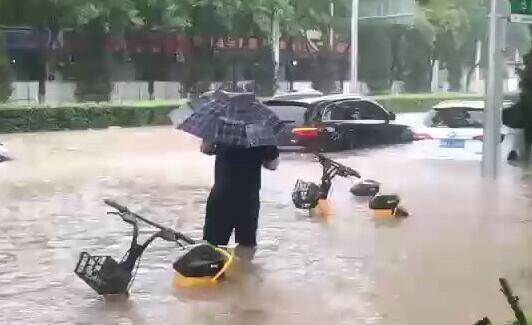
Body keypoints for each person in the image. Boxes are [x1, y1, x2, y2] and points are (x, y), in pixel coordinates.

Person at [200, 140, 280, 250]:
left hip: (221, 196)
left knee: (212, 247)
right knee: (246, 248)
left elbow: (205, 149)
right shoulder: (262, 136)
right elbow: (272, 165)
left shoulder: (222, 129)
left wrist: (218, 149)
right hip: (247, 200)